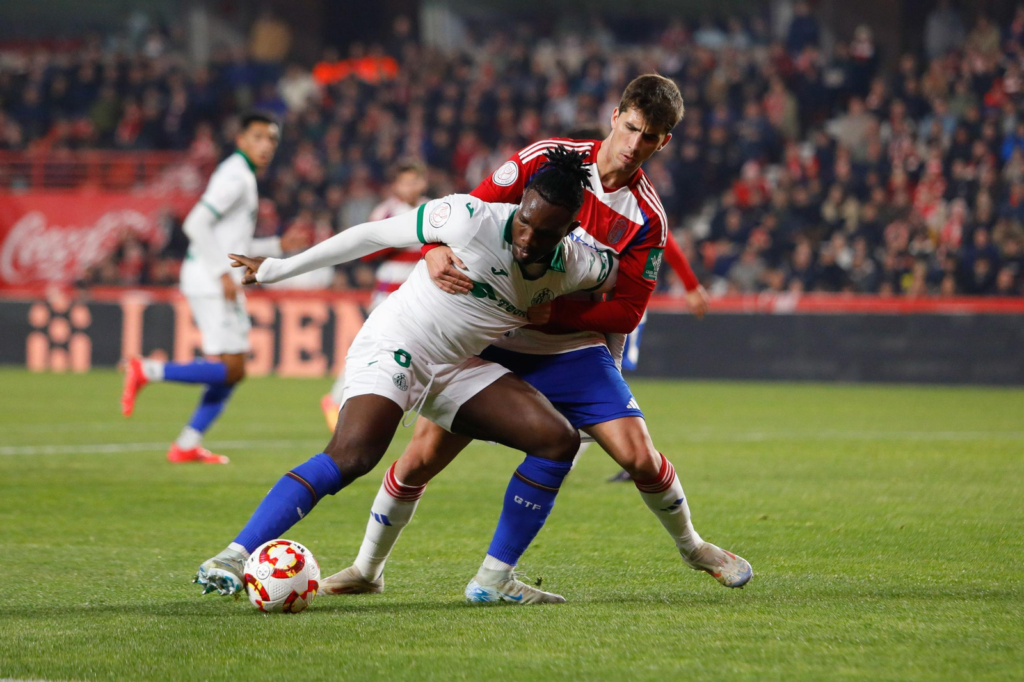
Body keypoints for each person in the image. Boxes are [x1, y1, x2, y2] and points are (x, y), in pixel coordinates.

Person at [321, 75, 751, 601]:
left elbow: (630, 309)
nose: (635, 144)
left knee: (638, 455)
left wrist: (554, 315)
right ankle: (367, 570)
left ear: (664, 142)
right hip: (491, 333)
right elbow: (470, 211)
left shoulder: (647, 217)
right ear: (615, 117)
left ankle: (692, 547)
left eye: (650, 137)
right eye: (632, 127)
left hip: (570, 345)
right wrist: (431, 246)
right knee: (420, 458)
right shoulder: (548, 157)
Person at [195, 147, 620, 604]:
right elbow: (371, 234)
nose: (527, 237)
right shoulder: (470, 217)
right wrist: (280, 268)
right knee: (354, 455)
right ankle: (234, 555)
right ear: (519, 206)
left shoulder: (579, 263)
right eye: (524, 222)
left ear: (570, 229)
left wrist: (563, 313)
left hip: (457, 365)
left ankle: (494, 580)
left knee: (557, 440)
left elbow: (618, 281)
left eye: (544, 232)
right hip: (398, 341)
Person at [120, 112, 282, 464]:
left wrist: (278, 244)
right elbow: (196, 223)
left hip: (214, 277)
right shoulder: (236, 177)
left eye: (271, 139)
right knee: (232, 369)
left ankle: (186, 444)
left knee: (233, 370)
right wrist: (222, 273)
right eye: (258, 137)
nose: (266, 145)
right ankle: (147, 370)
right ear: (240, 140)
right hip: (210, 280)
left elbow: (233, 240)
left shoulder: (242, 176)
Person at [320, 159, 429, 431]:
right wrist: (395, 239)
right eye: (404, 181)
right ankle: (335, 399)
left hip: (420, 294)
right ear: (396, 185)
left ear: (422, 183)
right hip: (389, 294)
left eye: (414, 181)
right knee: (374, 346)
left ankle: (417, 407)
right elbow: (367, 247)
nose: (409, 186)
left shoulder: (431, 208)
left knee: (420, 351)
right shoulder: (387, 211)